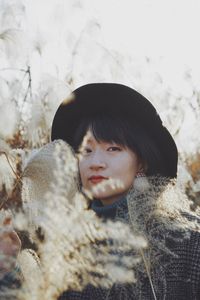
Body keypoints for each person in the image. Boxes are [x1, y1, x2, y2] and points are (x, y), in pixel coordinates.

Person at [51, 83, 200, 300]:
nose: (95, 162)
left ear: (142, 163)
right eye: (86, 150)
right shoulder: (67, 251)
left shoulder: (187, 240)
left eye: (113, 149)